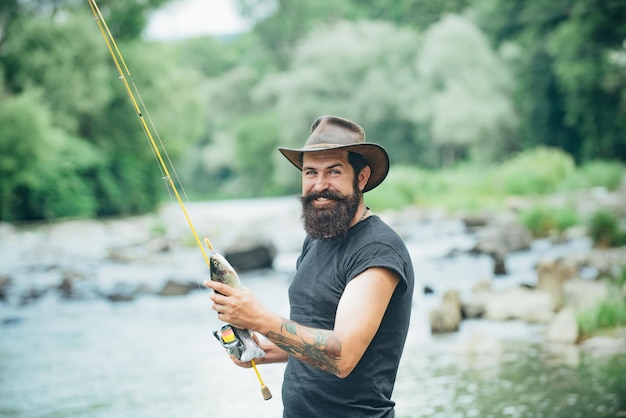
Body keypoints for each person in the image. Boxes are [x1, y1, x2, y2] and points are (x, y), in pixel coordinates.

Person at [205, 115, 415, 417]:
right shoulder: (318, 239)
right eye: (310, 172)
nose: (319, 185)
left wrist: (258, 317)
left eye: (334, 171)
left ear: (362, 177)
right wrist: (261, 350)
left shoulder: (377, 251)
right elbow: (314, 339)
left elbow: (342, 356)